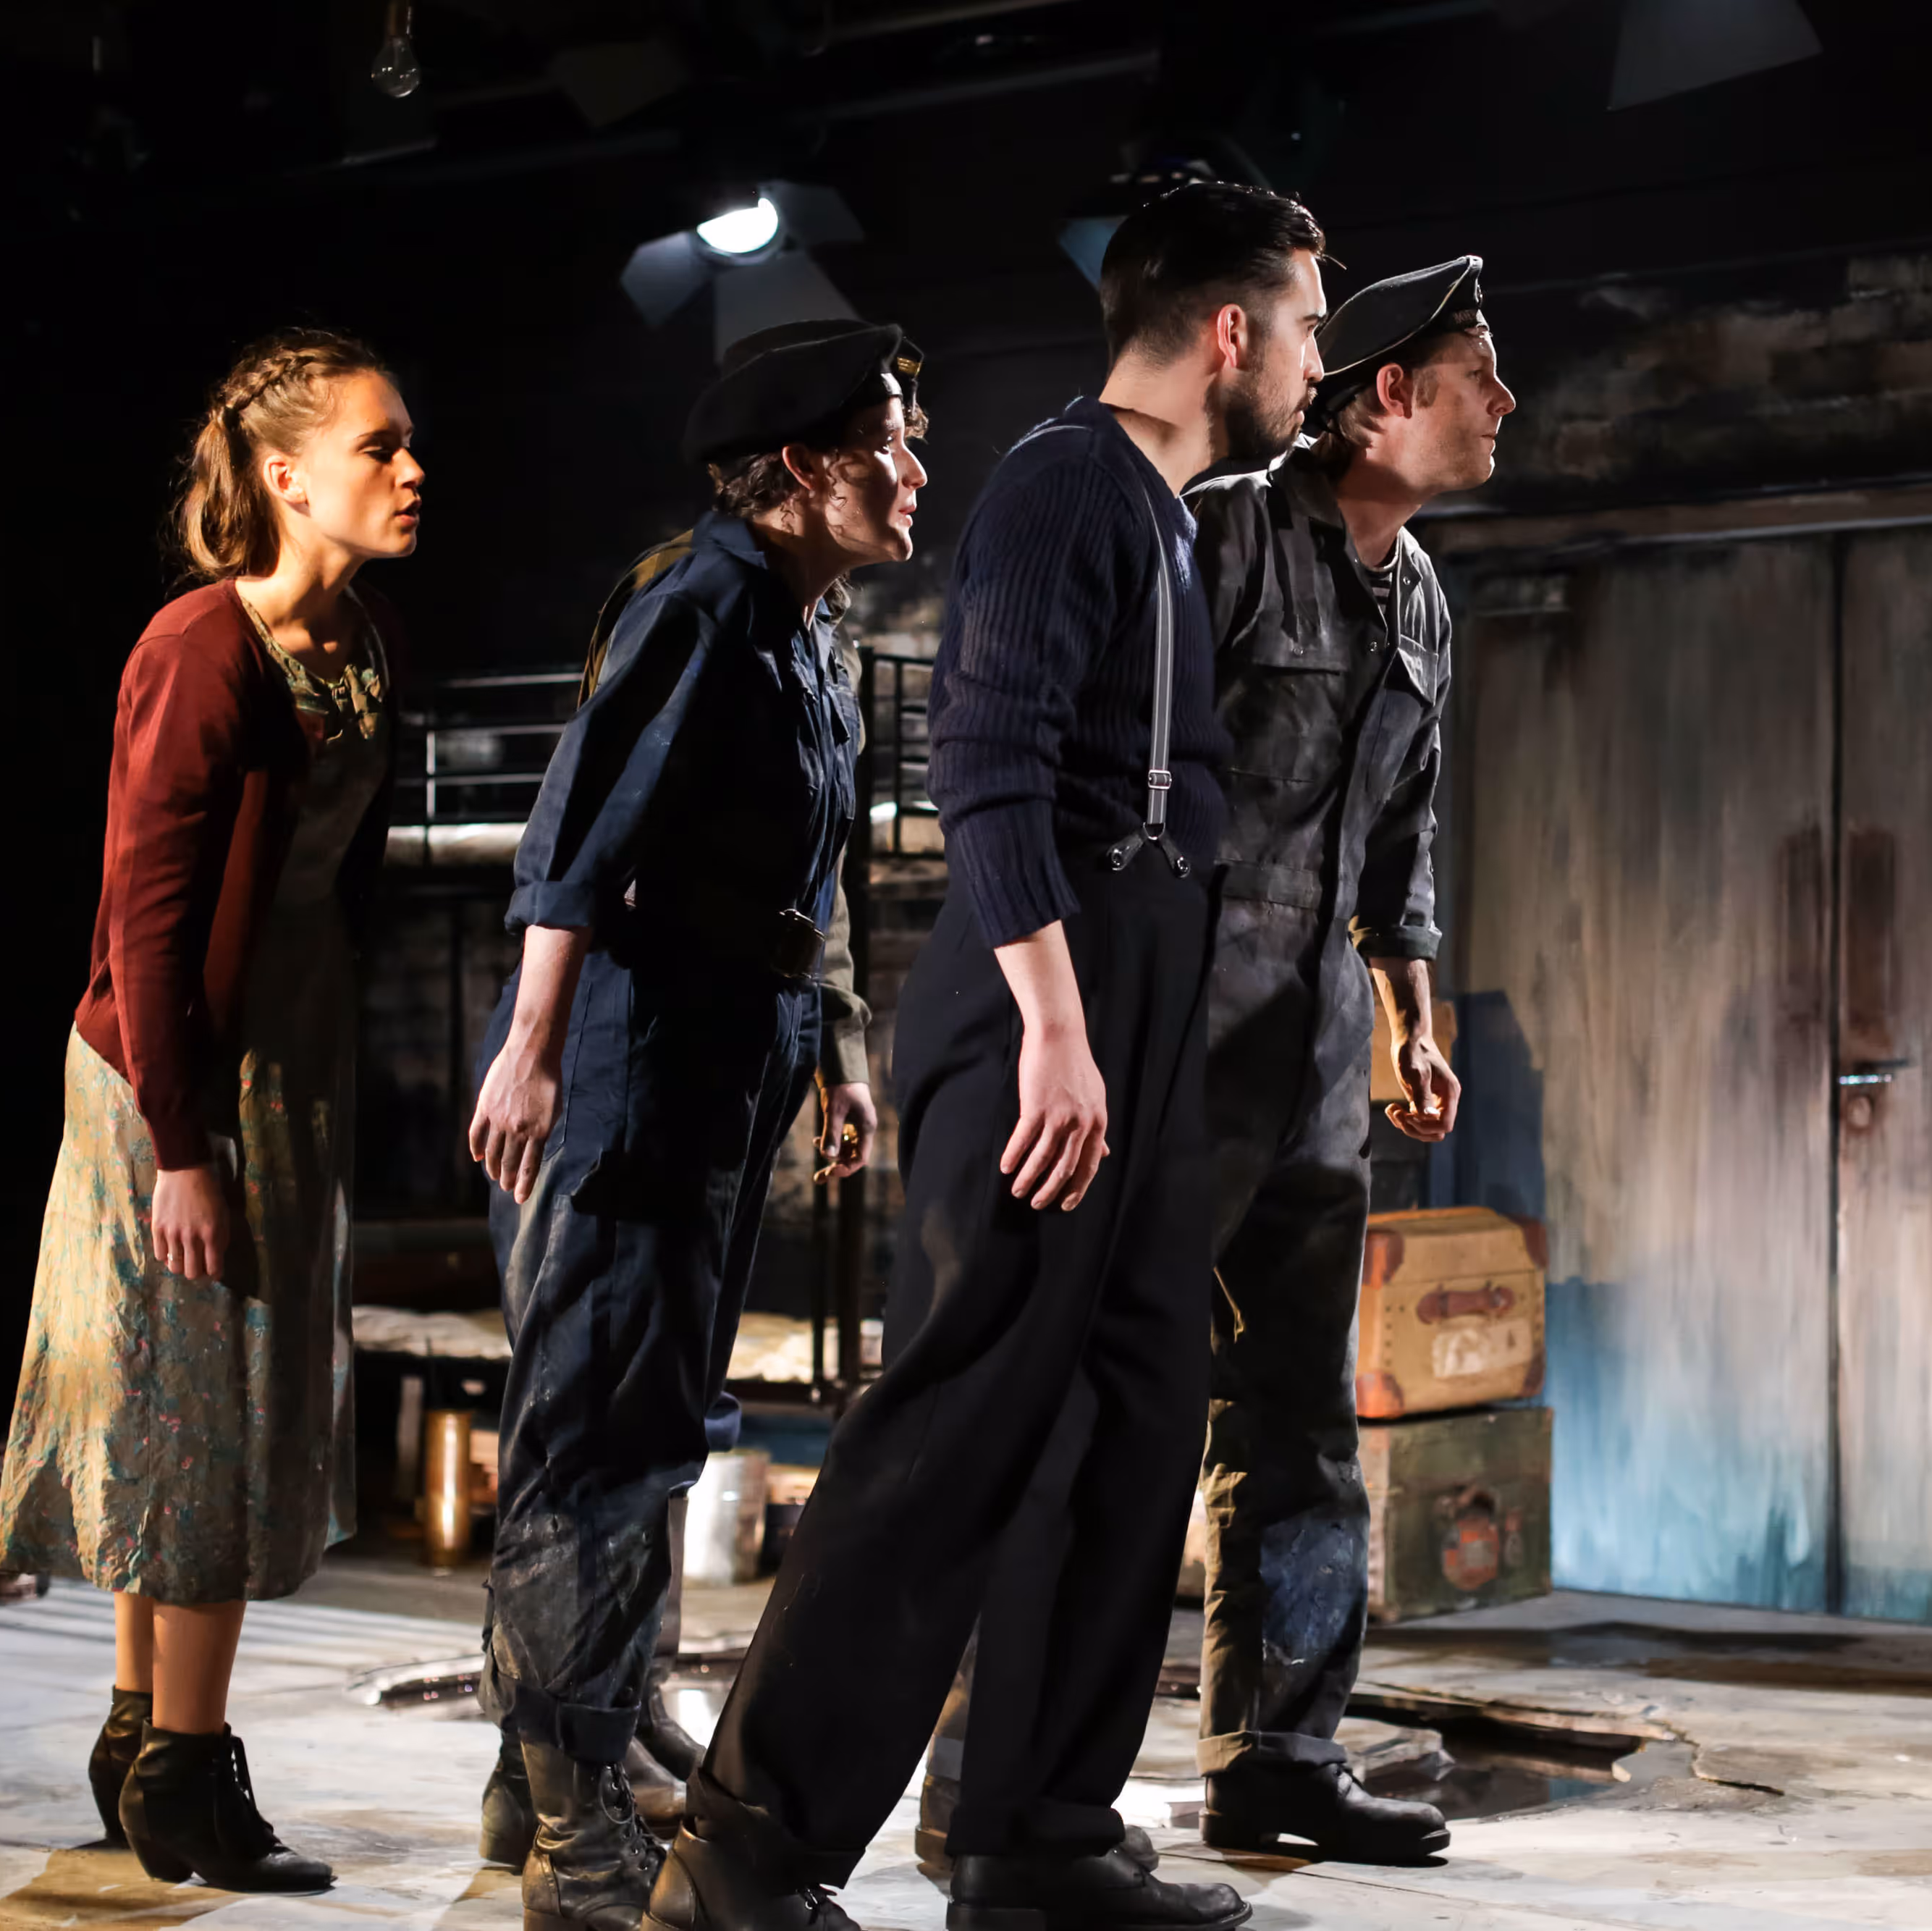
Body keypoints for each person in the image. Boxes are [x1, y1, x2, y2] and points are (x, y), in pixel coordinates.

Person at [645, 180, 1328, 1931]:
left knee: (1130, 1424)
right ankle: (742, 1852)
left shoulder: (1176, 519)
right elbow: (987, 760)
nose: (1320, 365)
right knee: (952, 1428)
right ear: (1229, 330)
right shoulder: (1058, 483)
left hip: (1143, 1005)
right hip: (1045, 992)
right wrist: (1053, 1027)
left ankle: (1035, 1835)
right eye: (1311, 327)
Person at [464, 321, 916, 1931]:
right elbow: (578, 828)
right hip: (637, 1066)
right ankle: (570, 1822)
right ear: (800, 467)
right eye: (886, 445)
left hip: (740, 1060)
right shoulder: (705, 601)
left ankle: (571, 1749)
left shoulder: (803, 624)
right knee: (589, 1436)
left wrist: (841, 1047)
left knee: (659, 1417)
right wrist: (526, 1051)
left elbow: (822, 880)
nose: (912, 471)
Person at [0, 328, 422, 1893]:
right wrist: (182, 1141)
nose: (409, 468)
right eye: (379, 445)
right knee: (211, 1414)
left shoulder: (359, 637)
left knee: (198, 1399)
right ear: (284, 475)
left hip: (285, 1065)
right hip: (178, 1075)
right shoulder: (199, 645)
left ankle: (135, 1736)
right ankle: (188, 1769)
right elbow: (146, 917)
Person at [1181, 254, 1509, 1856]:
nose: (1503, 406)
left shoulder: (1423, 593)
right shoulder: (1228, 535)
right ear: (1389, 393)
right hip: (1174, 1056)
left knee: (1299, 1423)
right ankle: (1007, 1783)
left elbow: (1400, 835)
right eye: (1479, 377)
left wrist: (1408, 1016)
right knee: (1099, 1413)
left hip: (1312, 1064)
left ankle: (1276, 1756)